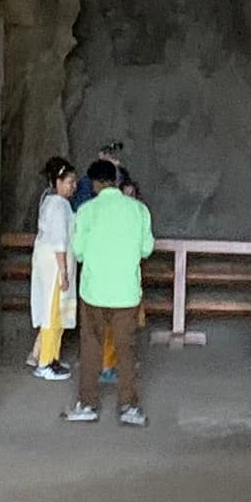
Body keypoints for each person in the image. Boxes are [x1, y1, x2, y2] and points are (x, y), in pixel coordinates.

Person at [65, 157, 155, 427]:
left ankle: (88, 403)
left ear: (94, 183)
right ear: (116, 181)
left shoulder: (86, 211)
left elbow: (78, 252)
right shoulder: (139, 210)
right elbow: (146, 249)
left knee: (91, 347)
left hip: (94, 290)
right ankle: (128, 405)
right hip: (126, 292)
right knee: (125, 350)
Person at [27, 156, 78, 379]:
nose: (73, 186)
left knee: (56, 314)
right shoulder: (59, 205)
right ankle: (46, 362)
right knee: (53, 314)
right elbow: (59, 241)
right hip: (55, 267)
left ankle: (51, 358)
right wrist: (64, 272)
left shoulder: (49, 202)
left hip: (48, 265)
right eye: (69, 182)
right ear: (58, 182)